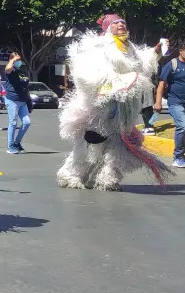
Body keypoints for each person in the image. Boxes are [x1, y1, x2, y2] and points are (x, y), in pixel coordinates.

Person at [57, 14, 169, 191]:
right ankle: (70, 174)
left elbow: (141, 64)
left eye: (123, 23)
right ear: (108, 28)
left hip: (123, 107)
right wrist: (111, 83)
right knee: (90, 142)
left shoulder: (129, 47)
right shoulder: (100, 47)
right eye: (116, 23)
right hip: (101, 105)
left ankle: (107, 179)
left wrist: (155, 52)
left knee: (118, 144)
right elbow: (87, 71)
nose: (121, 25)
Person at [155, 41, 185, 168]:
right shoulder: (172, 64)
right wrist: (158, 102)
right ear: (181, 51)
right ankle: (178, 157)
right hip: (175, 102)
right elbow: (161, 84)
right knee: (183, 127)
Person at [4, 52, 32, 153]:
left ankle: (17, 143)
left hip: (22, 100)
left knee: (27, 122)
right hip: (12, 100)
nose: (19, 62)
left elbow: (25, 86)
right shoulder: (11, 70)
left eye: (19, 60)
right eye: (17, 60)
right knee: (13, 123)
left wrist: (29, 101)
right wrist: (12, 60)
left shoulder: (21, 71)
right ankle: (10, 146)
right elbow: (7, 69)